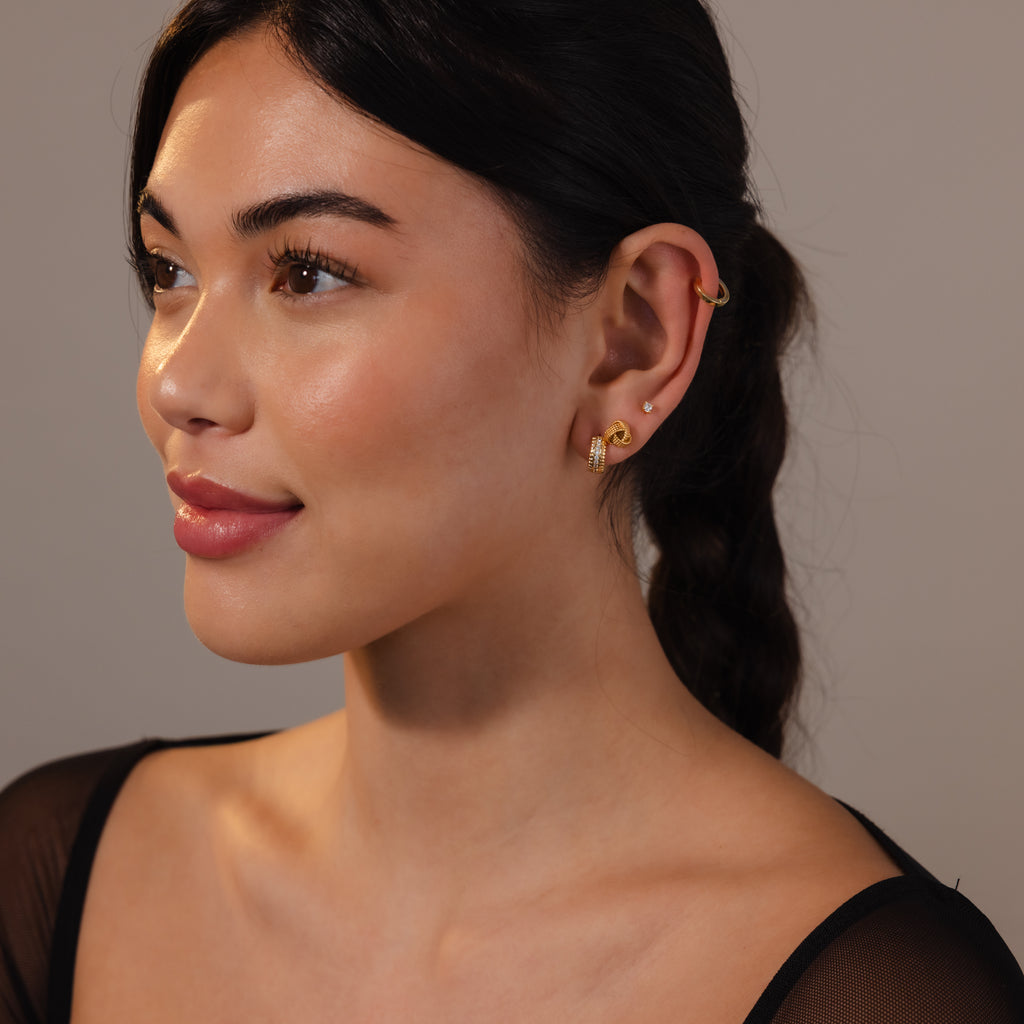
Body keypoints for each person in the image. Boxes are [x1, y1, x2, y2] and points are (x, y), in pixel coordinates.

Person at [1, 0, 1021, 1021]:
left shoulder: (879, 993)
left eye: (307, 272)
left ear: (631, 335)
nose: (177, 384)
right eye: (170, 271)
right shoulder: (46, 878)